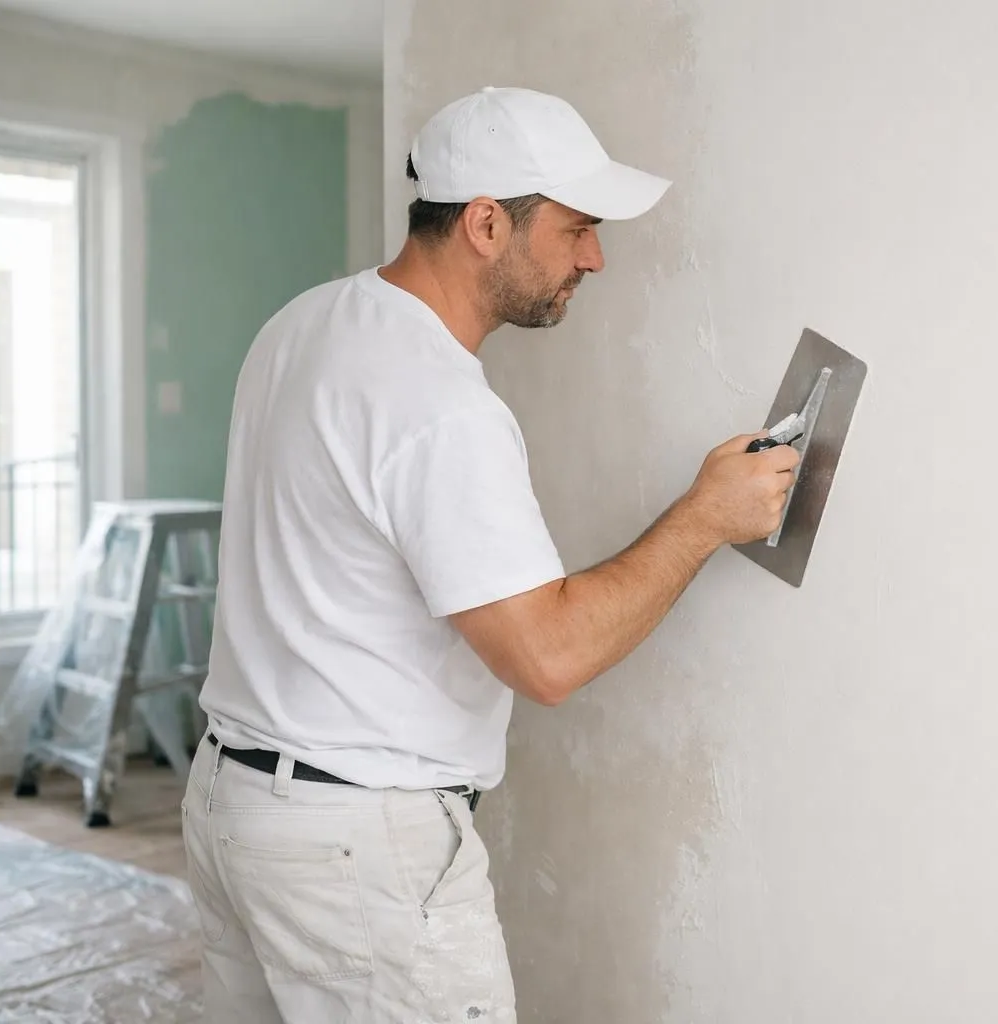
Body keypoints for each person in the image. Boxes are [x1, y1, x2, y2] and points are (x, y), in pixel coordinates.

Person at [179, 86, 798, 1022]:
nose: (594, 258)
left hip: (235, 803)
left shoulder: (303, 323)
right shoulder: (440, 406)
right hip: (354, 846)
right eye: (577, 228)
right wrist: (705, 518)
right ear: (484, 224)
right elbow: (547, 657)